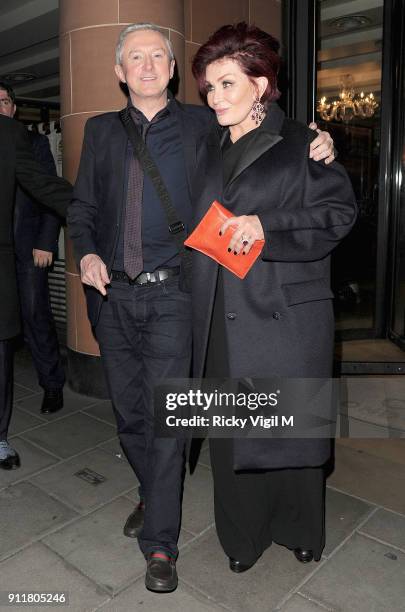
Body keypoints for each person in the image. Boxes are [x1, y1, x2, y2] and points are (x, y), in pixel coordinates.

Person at [67, 22, 335, 593]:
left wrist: (317, 138)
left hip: (177, 295)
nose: (145, 65)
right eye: (133, 57)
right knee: (132, 416)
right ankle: (153, 491)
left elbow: (268, 140)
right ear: (118, 73)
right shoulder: (100, 132)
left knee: (174, 419)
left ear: (170, 69)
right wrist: (86, 254)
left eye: (157, 55)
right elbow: (82, 206)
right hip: (115, 295)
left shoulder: (201, 124)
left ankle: (161, 541)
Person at [190, 22, 357, 572]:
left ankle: (300, 528)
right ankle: (242, 539)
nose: (216, 97)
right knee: (231, 437)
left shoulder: (302, 143)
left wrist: (266, 226)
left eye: (227, 84)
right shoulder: (206, 145)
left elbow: (337, 215)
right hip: (221, 312)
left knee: (291, 430)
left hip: (284, 313)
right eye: (209, 87)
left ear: (260, 84)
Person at [0, 113, 71, 470]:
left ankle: (51, 384)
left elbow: (46, 188)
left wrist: (47, 240)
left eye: (3, 100)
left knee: (34, 316)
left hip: (25, 249)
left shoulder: (24, 139)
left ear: (12, 107)